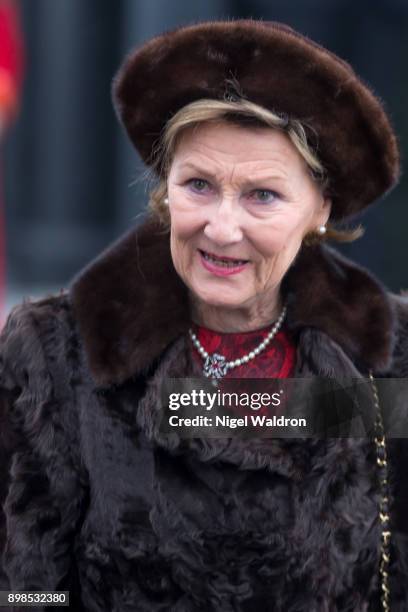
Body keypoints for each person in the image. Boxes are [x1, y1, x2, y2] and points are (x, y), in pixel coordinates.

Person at [0, 18, 407, 612]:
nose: (220, 227)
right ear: (165, 187)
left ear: (320, 208)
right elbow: (24, 590)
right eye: (198, 185)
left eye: (261, 196)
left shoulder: (389, 359)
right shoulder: (54, 352)